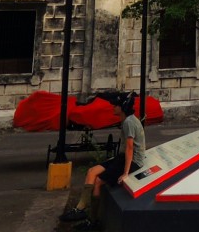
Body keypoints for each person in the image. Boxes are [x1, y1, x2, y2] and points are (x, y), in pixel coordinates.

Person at [60, 91, 146, 230]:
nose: (113, 107)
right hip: (123, 157)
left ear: (122, 107)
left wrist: (125, 173)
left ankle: (93, 221)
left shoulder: (129, 122)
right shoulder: (127, 120)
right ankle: (80, 209)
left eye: (115, 105)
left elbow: (130, 148)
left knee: (99, 181)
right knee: (91, 172)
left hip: (132, 161)